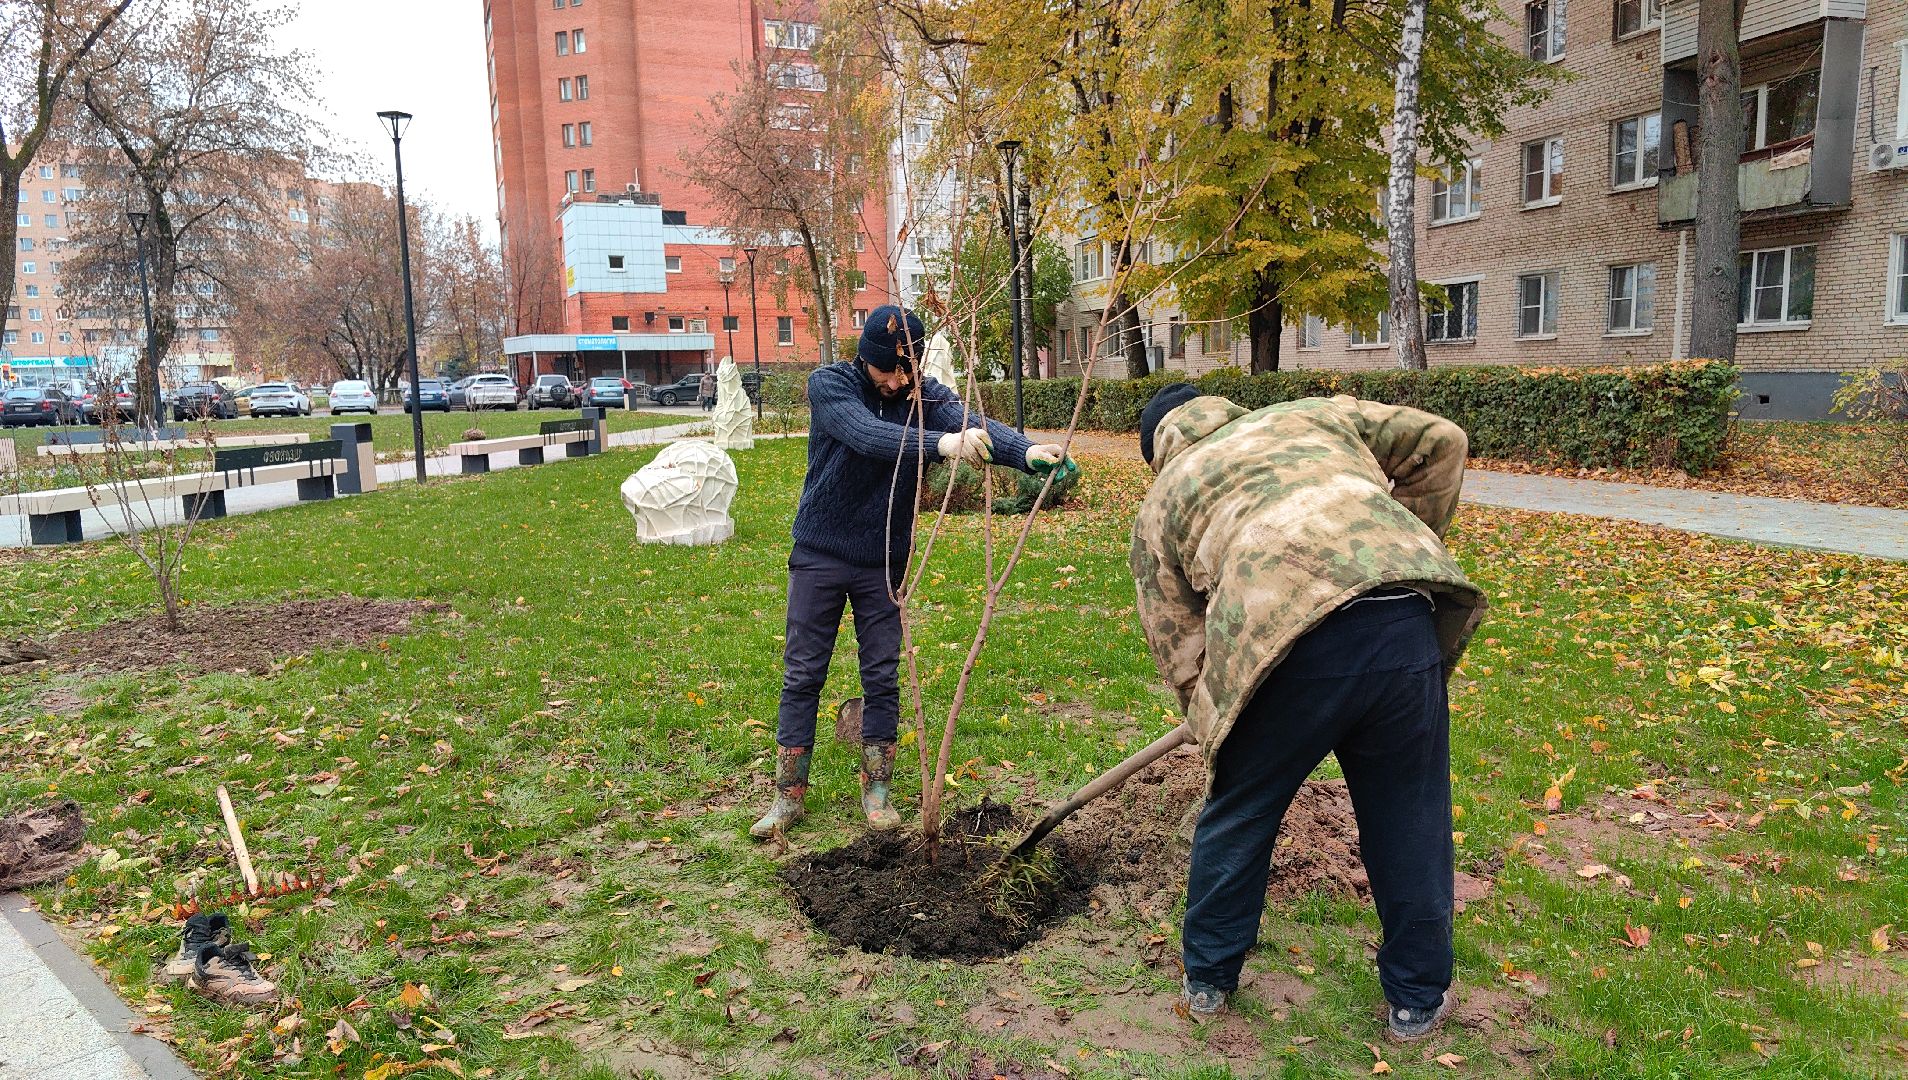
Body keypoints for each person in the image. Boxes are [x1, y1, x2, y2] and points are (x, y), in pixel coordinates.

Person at [1129, 383, 1486, 1043]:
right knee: (1410, 812)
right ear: (1224, 409)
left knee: (1241, 809)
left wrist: (1216, 727)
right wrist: (1388, 552)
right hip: (1402, 615)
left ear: (1157, 451)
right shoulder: (1308, 414)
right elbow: (1444, 443)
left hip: (1280, 643)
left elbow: (1179, 648)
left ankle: (1207, 982)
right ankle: (1415, 1001)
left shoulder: (1164, 498)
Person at [751, 305, 1078, 838]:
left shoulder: (922, 396)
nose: (901, 380)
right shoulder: (831, 386)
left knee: (881, 673)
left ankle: (877, 790)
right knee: (803, 671)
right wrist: (939, 444)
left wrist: (1025, 451)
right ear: (866, 359)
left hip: (884, 558)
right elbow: (864, 436)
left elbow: (972, 421)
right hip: (821, 553)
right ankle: (788, 795)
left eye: (909, 369)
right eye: (891, 371)